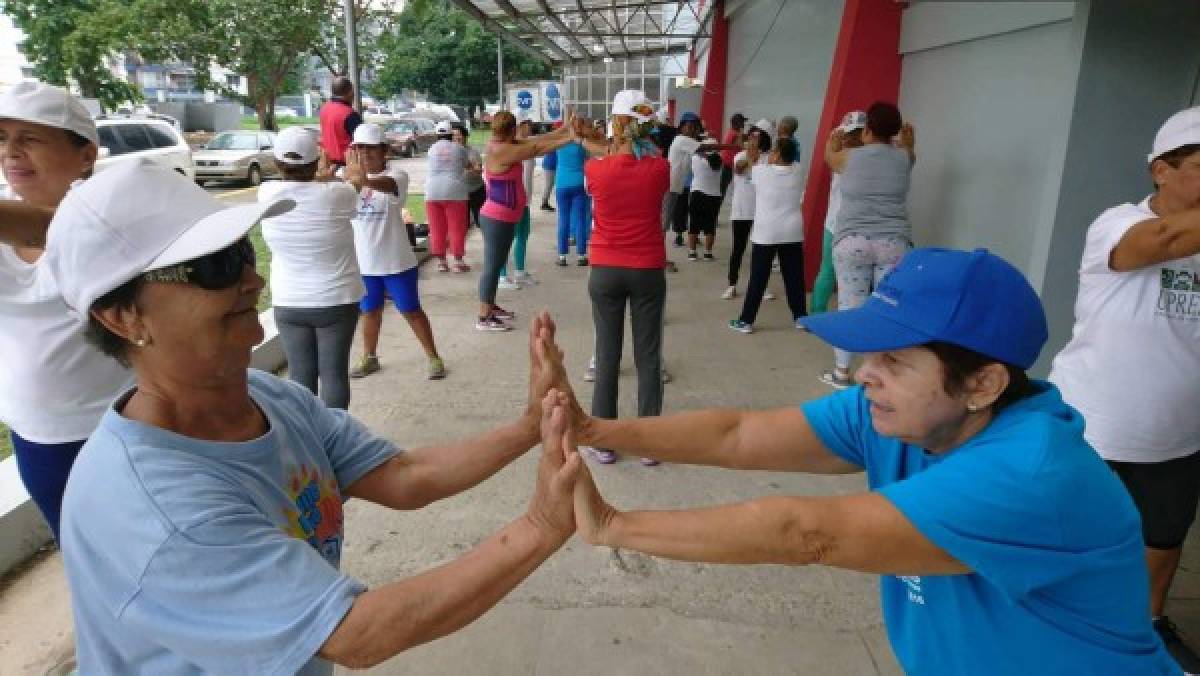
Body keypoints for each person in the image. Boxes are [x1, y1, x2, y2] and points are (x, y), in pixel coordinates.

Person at [43, 161, 583, 676]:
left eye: (243, 253)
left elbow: (403, 475)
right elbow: (356, 633)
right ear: (122, 316)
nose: (251, 281)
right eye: (215, 267)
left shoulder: (265, 397)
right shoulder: (158, 509)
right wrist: (538, 529)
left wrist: (529, 424)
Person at [554, 247, 1180, 675]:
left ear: (984, 384)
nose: (866, 376)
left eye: (896, 360)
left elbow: (804, 534)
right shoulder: (898, 412)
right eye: (870, 354)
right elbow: (737, 434)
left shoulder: (1029, 472)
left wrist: (613, 526)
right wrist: (591, 428)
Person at [1049, 106, 1200, 674]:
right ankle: (1049, 634)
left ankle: (1145, 634)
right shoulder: (1117, 224)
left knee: (1161, 544)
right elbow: (1162, 240)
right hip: (1095, 425)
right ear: (1161, 169)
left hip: (1179, 434)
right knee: (1068, 540)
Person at [0, 82, 133, 541]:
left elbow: (62, 231)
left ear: (86, 154)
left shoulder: (109, 215)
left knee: (144, 556)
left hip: (120, 426)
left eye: (30, 138)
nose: (11, 152)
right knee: (82, 558)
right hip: (36, 436)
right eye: (2, 138)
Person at [571, 90, 670, 467]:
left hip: (606, 269)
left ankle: (604, 440)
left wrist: (583, 138)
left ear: (614, 123)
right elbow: (640, 156)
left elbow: (607, 157)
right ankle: (649, 442)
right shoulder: (659, 168)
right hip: (647, 268)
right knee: (648, 355)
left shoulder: (595, 170)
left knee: (607, 353)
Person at [258, 127, 363, 409]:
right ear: (317, 160)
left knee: (300, 377)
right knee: (334, 374)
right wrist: (354, 176)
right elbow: (354, 186)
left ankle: (306, 441)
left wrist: (320, 179)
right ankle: (336, 444)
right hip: (336, 300)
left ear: (277, 162)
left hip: (289, 301)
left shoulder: (266, 192)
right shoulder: (336, 194)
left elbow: (300, 187)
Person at [822, 101, 915, 389]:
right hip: (894, 243)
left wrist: (832, 140)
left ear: (868, 130)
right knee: (886, 307)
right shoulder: (905, 157)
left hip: (852, 241)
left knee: (850, 305)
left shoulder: (848, 158)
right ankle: (881, 374)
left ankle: (841, 372)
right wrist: (910, 141)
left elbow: (829, 157)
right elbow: (910, 152)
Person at [342, 124, 446, 381]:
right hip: (364, 265)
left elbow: (385, 185)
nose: (365, 154)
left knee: (411, 309)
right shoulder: (345, 176)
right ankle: (370, 356)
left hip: (396, 262)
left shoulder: (397, 175)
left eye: (371, 148)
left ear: (384, 150)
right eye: (359, 148)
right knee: (370, 311)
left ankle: (433, 356)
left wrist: (359, 180)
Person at [475, 111, 574, 332]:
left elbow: (536, 141)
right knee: (492, 267)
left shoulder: (504, 142)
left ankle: (490, 306)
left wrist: (565, 130)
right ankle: (483, 316)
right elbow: (537, 148)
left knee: (497, 262)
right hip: (496, 217)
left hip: (503, 216)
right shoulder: (503, 150)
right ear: (511, 130)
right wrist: (570, 138)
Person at [728, 138, 807, 333]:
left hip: (766, 233)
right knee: (794, 277)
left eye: (773, 151)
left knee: (758, 278)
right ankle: (800, 318)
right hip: (792, 231)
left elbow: (751, 164)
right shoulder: (799, 170)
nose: (769, 154)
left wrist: (751, 152)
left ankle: (746, 321)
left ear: (778, 154)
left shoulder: (761, 171)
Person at [811, 111, 866, 314]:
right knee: (830, 271)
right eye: (850, 133)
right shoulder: (863, 156)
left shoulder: (840, 155)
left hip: (843, 224)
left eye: (857, 132)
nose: (852, 137)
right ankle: (819, 314)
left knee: (832, 271)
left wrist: (832, 142)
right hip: (840, 223)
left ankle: (819, 315)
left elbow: (830, 156)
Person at [723, 121, 773, 299]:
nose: (753, 138)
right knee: (738, 248)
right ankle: (732, 284)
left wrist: (759, 158)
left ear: (765, 138)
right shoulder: (740, 156)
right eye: (751, 134)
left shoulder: (770, 158)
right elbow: (738, 170)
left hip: (762, 210)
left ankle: (761, 286)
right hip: (742, 210)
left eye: (757, 135)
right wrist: (751, 158)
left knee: (761, 251)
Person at [426, 121, 473, 273]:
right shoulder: (459, 149)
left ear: (437, 135)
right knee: (457, 227)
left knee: (437, 227)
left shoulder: (431, 149)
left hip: (432, 192)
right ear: (451, 134)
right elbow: (467, 165)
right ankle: (458, 262)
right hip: (455, 192)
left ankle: (441, 262)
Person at [500, 120, 538, 289]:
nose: (528, 129)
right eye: (524, 126)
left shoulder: (527, 145)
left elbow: (544, 141)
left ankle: (520, 272)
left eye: (529, 126)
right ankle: (501, 276)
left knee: (523, 235)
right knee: (507, 239)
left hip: (525, 201)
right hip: (512, 202)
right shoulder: (509, 150)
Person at [554, 116, 594, 267]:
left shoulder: (559, 141)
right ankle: (581, 255)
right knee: (580, 219)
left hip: (561, 184)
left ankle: (562, 256)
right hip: (578, 183)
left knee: (563, 219)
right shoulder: (582, 143)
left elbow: (557, 132)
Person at [665, 112, 703, 248]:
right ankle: (659, 257)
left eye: (695, 127)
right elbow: (704, 148)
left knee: (668, 219)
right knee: (664, 222)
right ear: (681, 128)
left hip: (678, 185)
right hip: (670, 186)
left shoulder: (688, 141)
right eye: (689, 126)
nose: (692, 129)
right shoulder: (681, 139)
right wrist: (733, 147)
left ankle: (660, 256)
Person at [686, 145, 724, 261]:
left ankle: (692, 252)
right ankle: (708, 253)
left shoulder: (696, 159)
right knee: (710, 226)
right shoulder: (719, 161)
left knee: (693, 224)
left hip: (697, 194)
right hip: (714, 197)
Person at [318, 76, 363, 167]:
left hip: (328, 163)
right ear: (350, 92)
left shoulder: (324, 109)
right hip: (347, 164)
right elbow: (362, 142)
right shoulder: (350, 114)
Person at [456, 123, 487, 231]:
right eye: (454, 135)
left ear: (465, 136)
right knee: (462, 225)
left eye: (459, 135)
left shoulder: (473, 151)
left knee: (482, 222)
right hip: (459, 194)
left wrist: (470, 168)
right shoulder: (450, 153)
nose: (456, 138)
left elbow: (478, 171)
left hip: (476, 190)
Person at [720, 112, 747, 198]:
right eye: (742, 123)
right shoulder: (735, 134)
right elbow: (742, 147)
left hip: (726, 164)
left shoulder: (731, 132)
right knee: (722, 190)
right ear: (738, 123)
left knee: (723, 188)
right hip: (727, 166)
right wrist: (742, 132)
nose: (744, 125)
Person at [540, 131, 558, 211]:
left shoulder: (553, 140)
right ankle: (544, 203)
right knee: (549, 185)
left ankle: (545, 202)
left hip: (551, 165)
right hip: (550, 166)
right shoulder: (553, 141)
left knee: (550, 185)